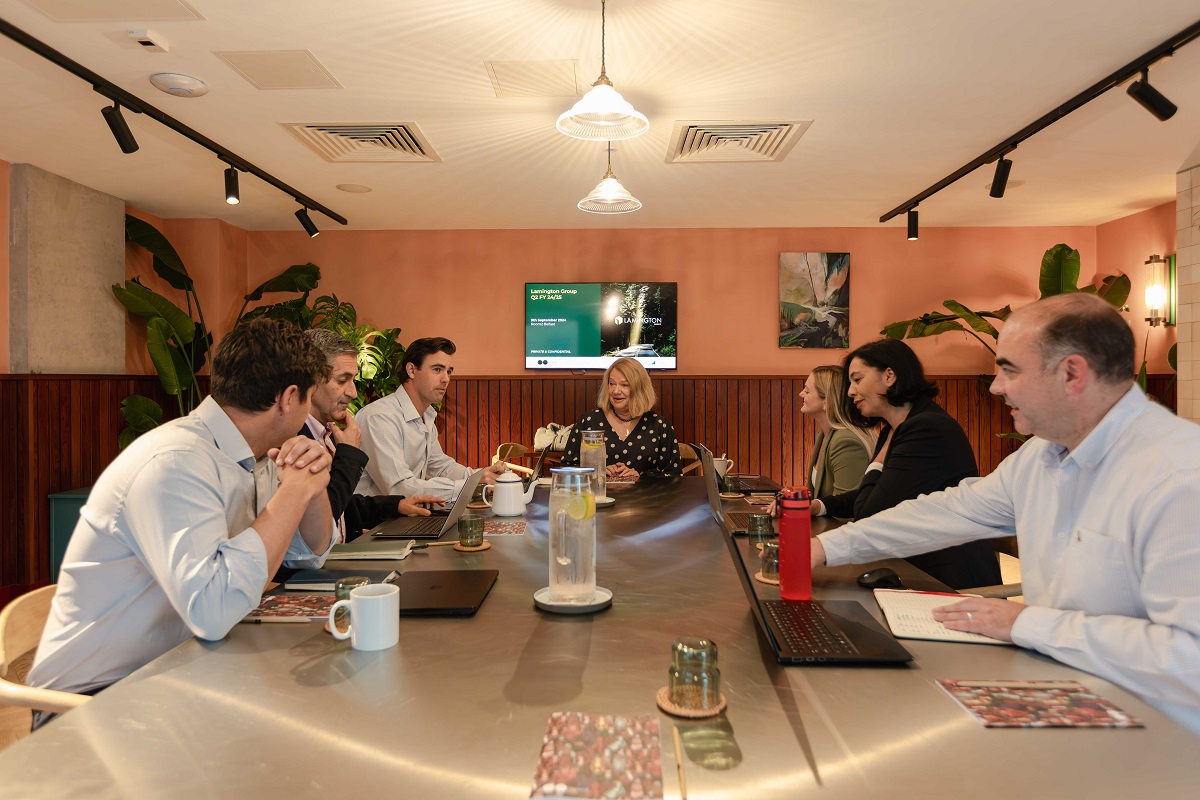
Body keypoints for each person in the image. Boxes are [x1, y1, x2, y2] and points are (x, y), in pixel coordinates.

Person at [811, 293, 1200, 734]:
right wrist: (824, 547)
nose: (995, 386)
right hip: (1069, 700)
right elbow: (948, 511)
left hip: (1165, 743)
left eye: (1009, 369)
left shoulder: (1179, 475)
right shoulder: (1040, 456)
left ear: (1072, 373)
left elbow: (1190, 660)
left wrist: (1028, 623)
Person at [28, 318, 337, 728]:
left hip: (184, 670)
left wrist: (311, 485)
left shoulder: (256, 454)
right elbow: (213, 610)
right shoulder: (176, 460)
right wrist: (293, 493)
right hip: (95, 704)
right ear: (289, 397)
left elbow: (309, 554)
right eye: (310, 398)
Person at [815, 338, 1001, 589]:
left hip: (948, 578)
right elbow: (875, 495)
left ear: (889, 376)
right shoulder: (895, 429)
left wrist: (876, 463)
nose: (849, 391)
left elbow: (869, 513)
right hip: (913, 563)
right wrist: (820, 505)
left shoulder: (926, 427)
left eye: (857, 380)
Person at [300, 329, 444, 541]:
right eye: (342, 381)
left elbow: (346, 506)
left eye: (353, 381)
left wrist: (396, 505)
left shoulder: (327, 432)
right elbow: (318, 521)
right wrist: (347, 455)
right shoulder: (294, 439)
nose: (353, 392)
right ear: (310, 381)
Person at [355, 337, 506, 501]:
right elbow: (399, 488)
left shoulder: (426, 415)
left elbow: (441, 467)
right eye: (437, 369)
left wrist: (483, 475)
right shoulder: (380, 417)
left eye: (448, 371)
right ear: (411, 370)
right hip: (374, 524)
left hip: (405, 518)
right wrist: (471, 485)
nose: (446, 379)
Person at [561, 357, 682, 482]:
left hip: (646, 500)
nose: (615, 391)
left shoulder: (659, 425)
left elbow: (674, 475)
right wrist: (597, 472)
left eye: (624, 385)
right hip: (597, 498)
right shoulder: (588, 421)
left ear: (639, 389)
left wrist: (640, 477)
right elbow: (567, 468)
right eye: (612, 384)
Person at [801, 365, 876, 500]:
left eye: (807, 391)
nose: (801, 393)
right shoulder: (824, 433)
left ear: (827, 401)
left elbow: (845, 511)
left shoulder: (846, 442)